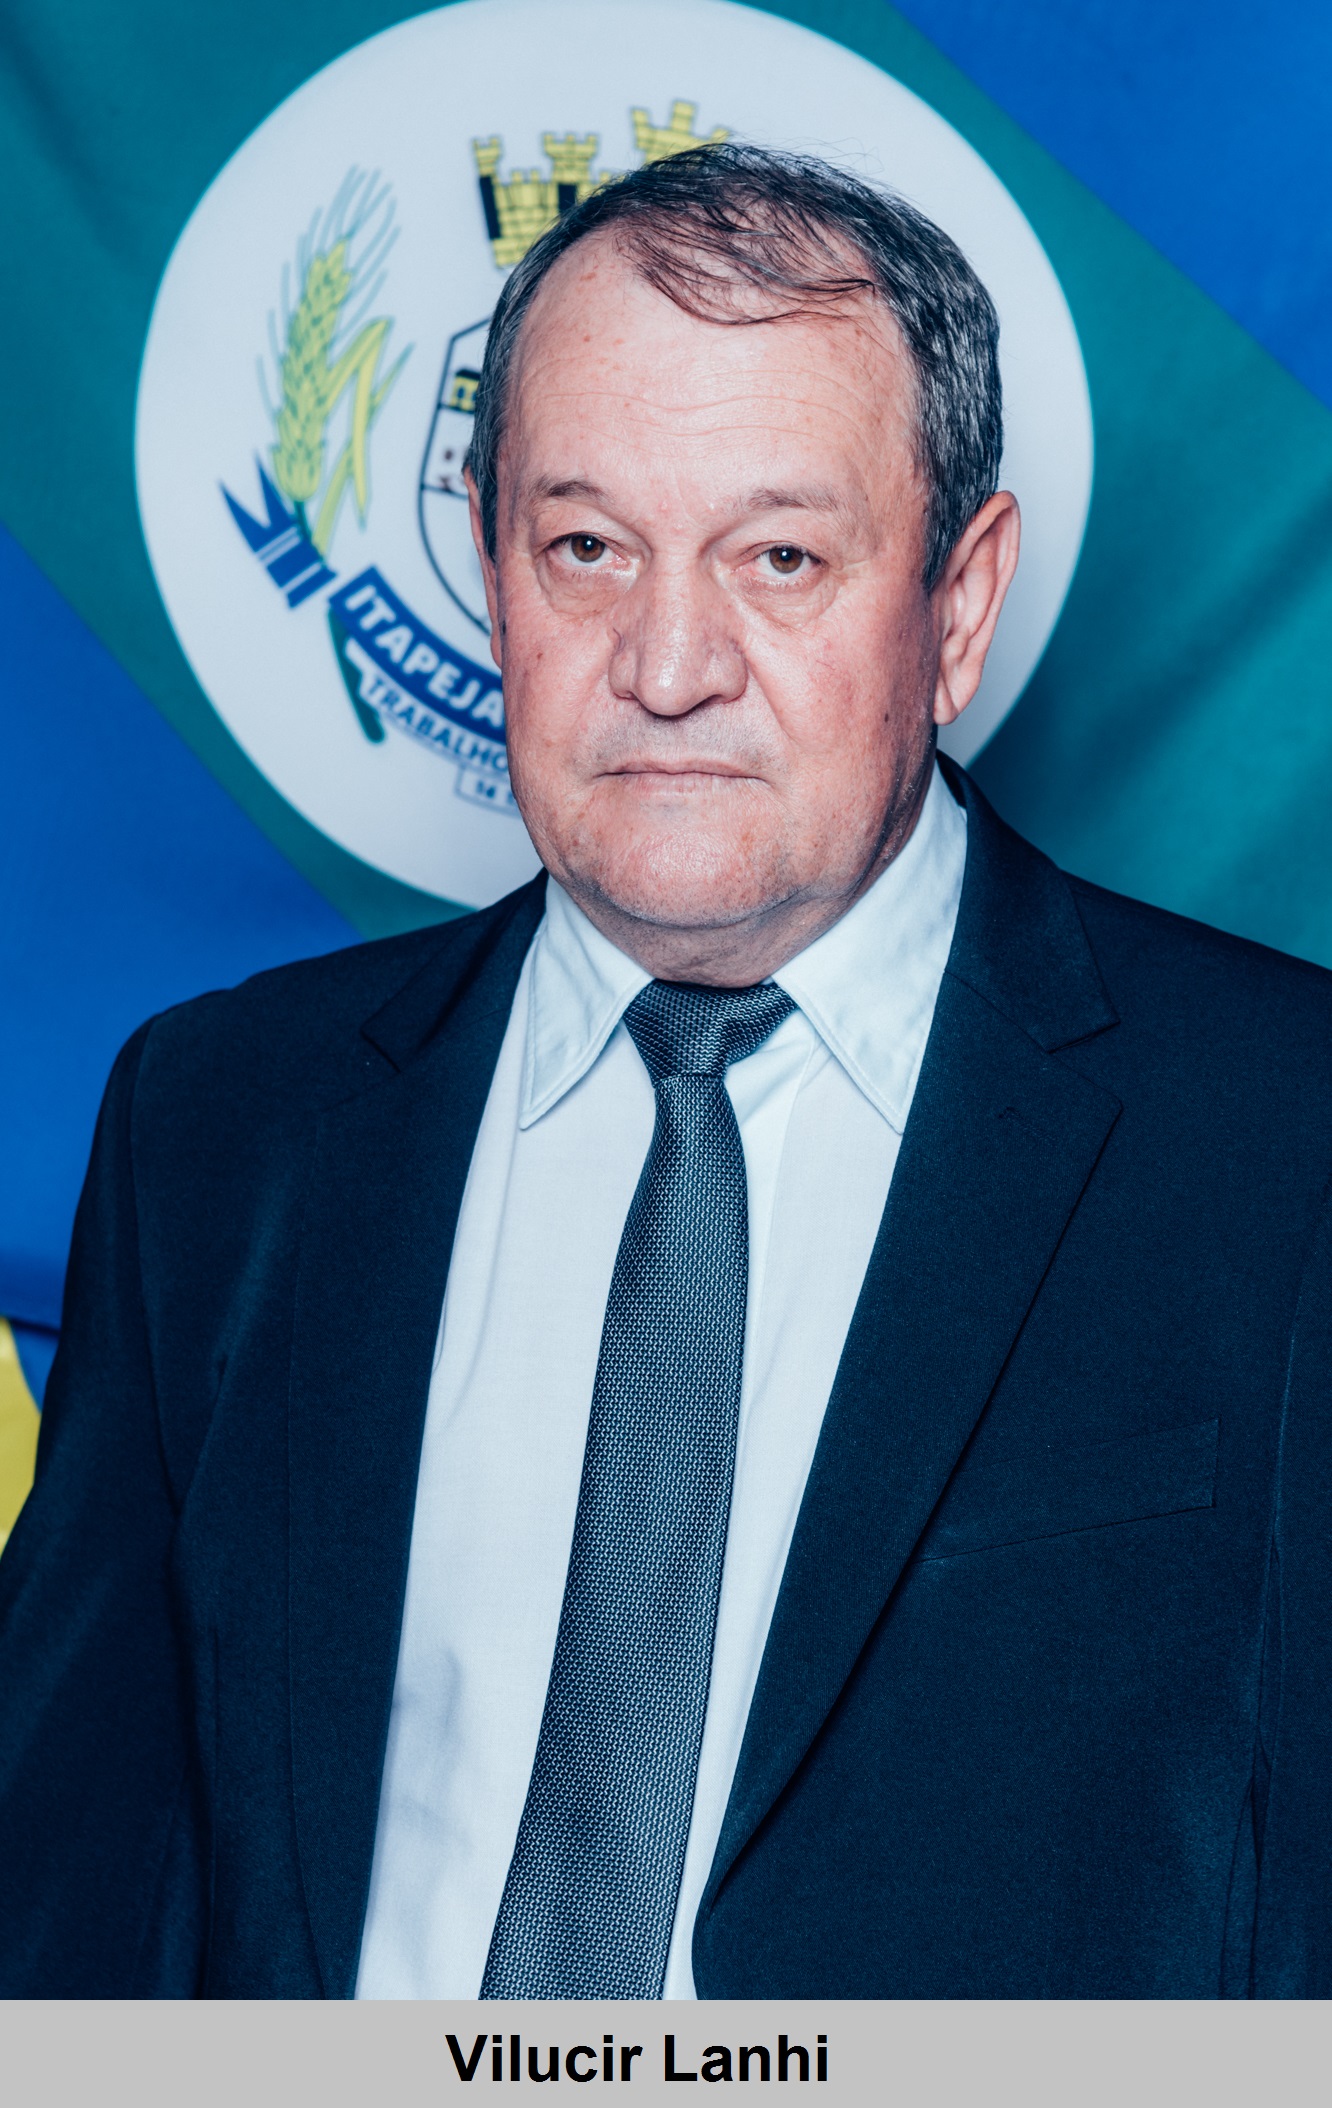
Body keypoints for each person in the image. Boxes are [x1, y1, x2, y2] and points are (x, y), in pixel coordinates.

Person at [2, 143, 1331, 2001]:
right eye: (587, 549)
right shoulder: (220, 1127)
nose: (670, 663)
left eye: (780, 557)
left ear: (957, 602)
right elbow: (71, 1896)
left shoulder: (1283, 1139)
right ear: (492, 577)